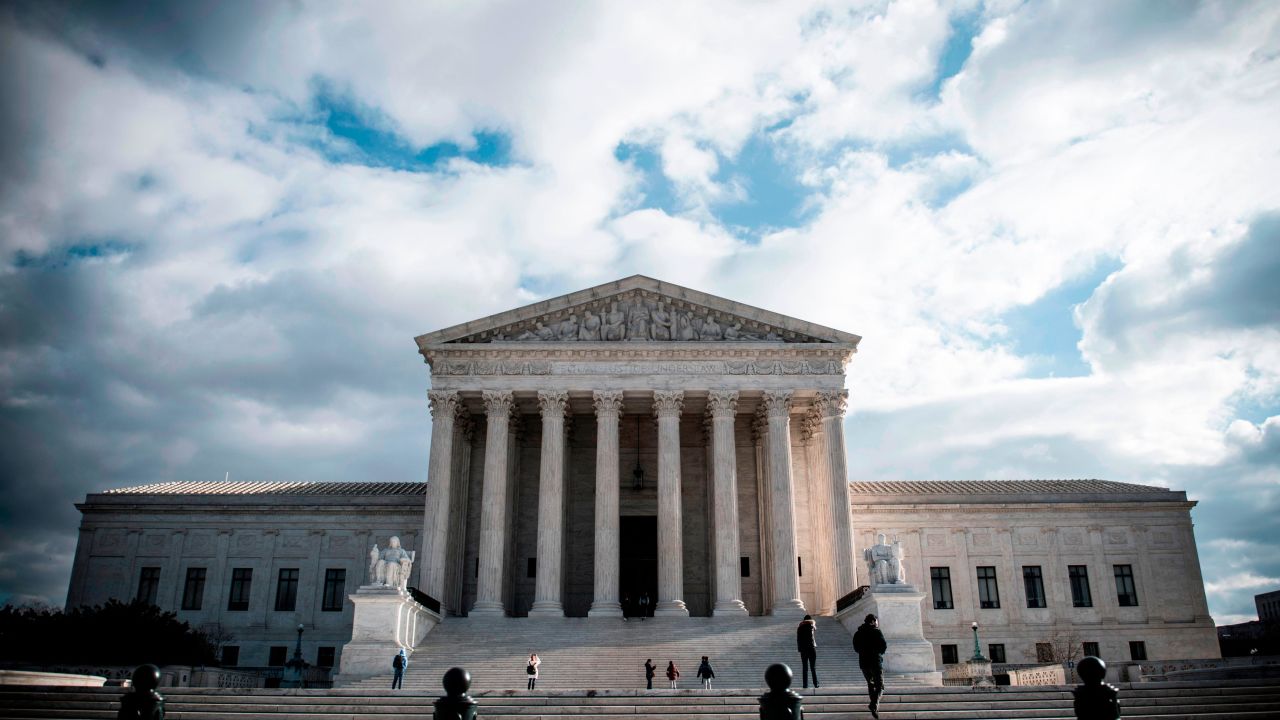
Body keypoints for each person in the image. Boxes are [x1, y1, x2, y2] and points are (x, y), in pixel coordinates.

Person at [852, 613, 887, 719]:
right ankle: (874, 705)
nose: (877, 623)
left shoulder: (858, 633)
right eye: (876, 621)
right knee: (880, 686)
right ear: (872, 621)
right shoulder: (876, 631)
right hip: (875, 662)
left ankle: (874, 706)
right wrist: (878, 652)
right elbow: (883, 646)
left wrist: (863, 653)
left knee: (871, 684)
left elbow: (856, 647)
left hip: (864, 662)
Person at [796, 614, 819, 689]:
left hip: (803, 650)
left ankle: (805, 685)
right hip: (811, 648)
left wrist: (800, 649)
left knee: (804, 668)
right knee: (813, 667)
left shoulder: (799, 627)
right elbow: (814, 630)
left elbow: (798, 640)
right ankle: (816, 684)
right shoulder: (811, 625)